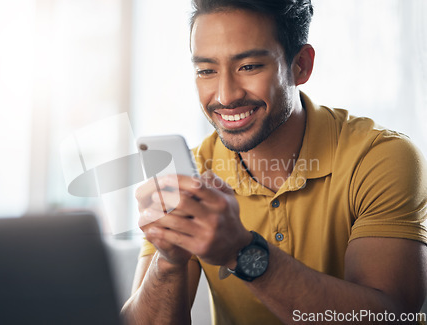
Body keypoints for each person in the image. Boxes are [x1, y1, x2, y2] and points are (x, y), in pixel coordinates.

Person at [121, 0, 427, 324]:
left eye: (249, 66)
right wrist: (169, 260)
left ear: (301, 66)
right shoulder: (195, 173)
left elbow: (392, 317)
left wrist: (241, 253)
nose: (225, 96)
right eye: (206, 70)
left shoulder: (380, 158)